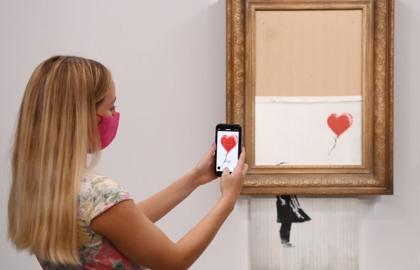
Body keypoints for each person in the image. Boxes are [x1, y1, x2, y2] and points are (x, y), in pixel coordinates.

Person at [7, 55, 248, 270]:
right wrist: (227, 200)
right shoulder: (100, 193)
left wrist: (193, 179)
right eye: (110, 107)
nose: (114, 115)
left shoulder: (38, 190)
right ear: (82, 116)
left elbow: (121, 223)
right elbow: (175, 261)